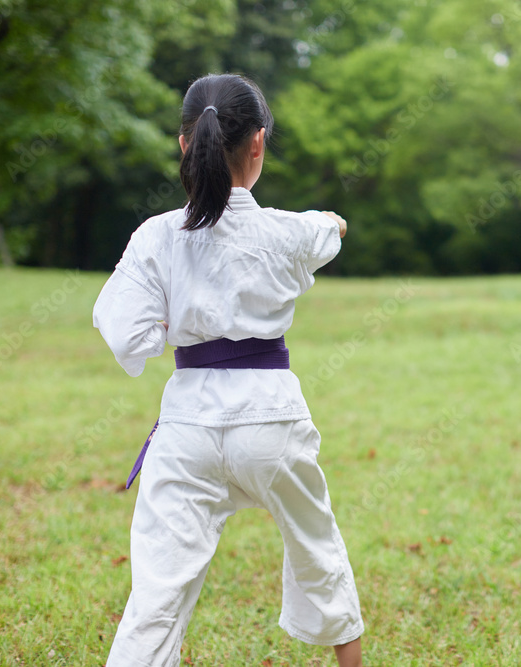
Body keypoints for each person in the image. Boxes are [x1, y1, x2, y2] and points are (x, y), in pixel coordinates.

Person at [92, 73, 363, 667]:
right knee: (317, 546)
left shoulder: (156, 236)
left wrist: (171, 323)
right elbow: (329, 230)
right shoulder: (287, 232)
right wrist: (334, 220)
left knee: (157, 595)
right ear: (259, 143)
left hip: (187, 426)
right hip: (272, 420)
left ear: (185, 143)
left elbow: (125, 334)